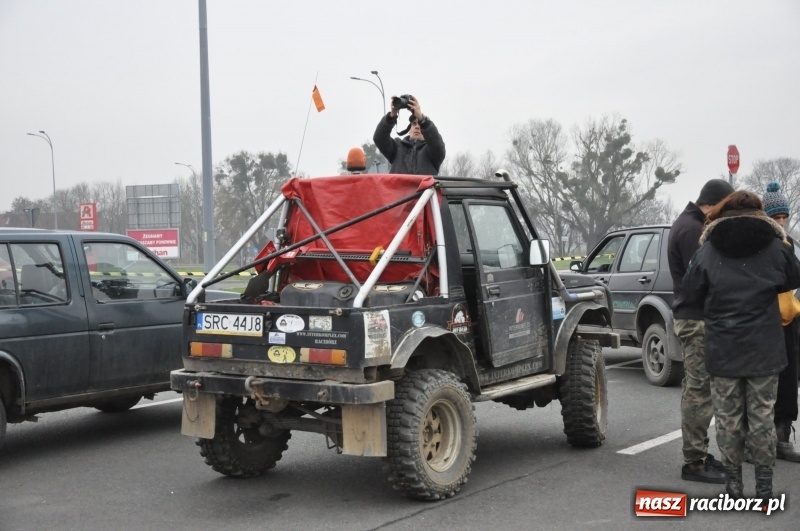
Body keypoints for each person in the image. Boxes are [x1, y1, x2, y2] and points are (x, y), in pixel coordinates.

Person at [683, 190, 800, 498]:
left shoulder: (708, 250)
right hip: (765, 349)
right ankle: (764, 487)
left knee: (728, 420)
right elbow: (792, 278)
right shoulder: (776, 247)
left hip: (723, 350)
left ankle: (734, 486)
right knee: (762, 418)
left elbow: (691, 293)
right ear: (759, 213)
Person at [668, 178, 734, 484]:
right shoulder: (693, 229)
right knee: (699, 392)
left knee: (697, 389)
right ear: (713, 204)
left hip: (692, 317)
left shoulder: (687, 223)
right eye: (723, 211)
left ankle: (699, 454)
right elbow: (703, 278)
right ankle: (693, 462)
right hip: (696, 319)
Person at [761, 181, 800, 462]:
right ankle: (763, 439)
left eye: (784, 217)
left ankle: (783, 436)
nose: (781, 222)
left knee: (788, 380)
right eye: (776, 217)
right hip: (765, 321)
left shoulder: (791, 243)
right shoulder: (761, 244)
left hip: (790, 320)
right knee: (764, 383)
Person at [373, 95, 445, 175]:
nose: (417, 127)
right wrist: (392, 116)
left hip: (424, 188)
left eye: (420, 125)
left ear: (425, 130)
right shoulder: (397, 148)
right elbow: (379, 138)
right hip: (398, 187)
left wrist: (422, 119)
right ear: (409, 130)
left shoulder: (432, 152)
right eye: (414, 124)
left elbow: (437, 145)